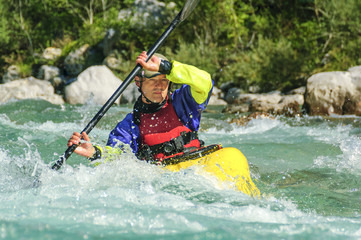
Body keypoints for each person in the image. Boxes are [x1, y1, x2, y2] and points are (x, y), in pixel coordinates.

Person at [67, 51, 214, 164]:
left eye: (164, 80)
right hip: (166, 177)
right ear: (138, 82)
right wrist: (95, 153)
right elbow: (117, 156)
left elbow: (205, 82)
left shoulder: (184, 102)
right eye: (152, 80)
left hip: (197, 164)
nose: (160, 86)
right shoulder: (130, 125)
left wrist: (167, 67)